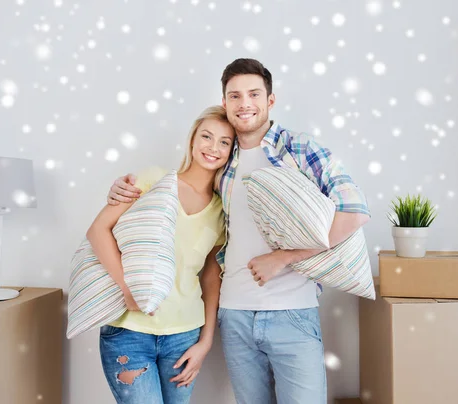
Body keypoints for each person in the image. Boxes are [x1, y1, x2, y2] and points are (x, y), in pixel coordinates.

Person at [107, 59, 370, 404]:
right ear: (225, 102)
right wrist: (122, 191)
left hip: (293, 312)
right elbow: (187, 206)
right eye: (234, 96)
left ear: (270, 101)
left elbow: (354, 212)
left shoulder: (299, 148)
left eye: (253, 94)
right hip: (235, 316)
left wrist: (284, 258)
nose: (244, 103)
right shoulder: (221, 160)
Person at [86, 105, 234, 404]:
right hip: (129, 331)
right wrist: (127, 289)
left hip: (184, 335)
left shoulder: (221, 210)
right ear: (193, 139)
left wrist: (205, 342)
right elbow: (98, 231)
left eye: (224, 142)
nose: (213, 147)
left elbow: (210, 276)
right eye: (206, 136)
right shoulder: (154, 180)